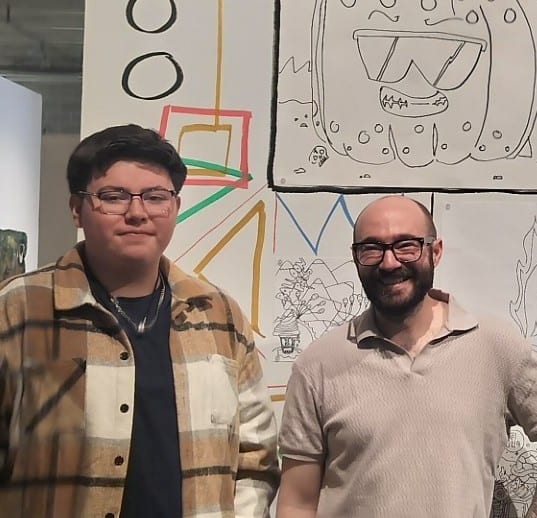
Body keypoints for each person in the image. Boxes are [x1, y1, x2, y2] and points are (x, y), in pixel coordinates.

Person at [0, 124, 279, 517]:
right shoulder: (20, 309)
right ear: (77, 209)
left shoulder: (219, 314)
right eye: (113, 197)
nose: (137, 213)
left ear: (175, 207)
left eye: (155, 197)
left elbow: (256, 456)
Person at [276, 195, 537, 518]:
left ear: (435, 252)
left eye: (406, 245)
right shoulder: (317, 365)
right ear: (356, 258)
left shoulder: (496, 347)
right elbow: (297, 503)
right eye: (372, 248)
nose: (389, 263)